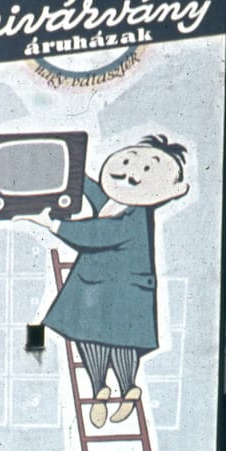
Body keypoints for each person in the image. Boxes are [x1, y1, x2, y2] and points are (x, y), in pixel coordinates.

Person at [42, 135, 189, 427]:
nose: (132, 173)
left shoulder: (136, 214)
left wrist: (54, 224)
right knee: (88, 335)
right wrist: (70, 169)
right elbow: (97, 194)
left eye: (148, 170)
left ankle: (126, 388)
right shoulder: (117, 200)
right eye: (126, 161)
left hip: (120, 288)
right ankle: (101, 390)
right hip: (96, 285)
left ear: (171, 190)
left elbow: (100, 233)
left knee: (119, 340)